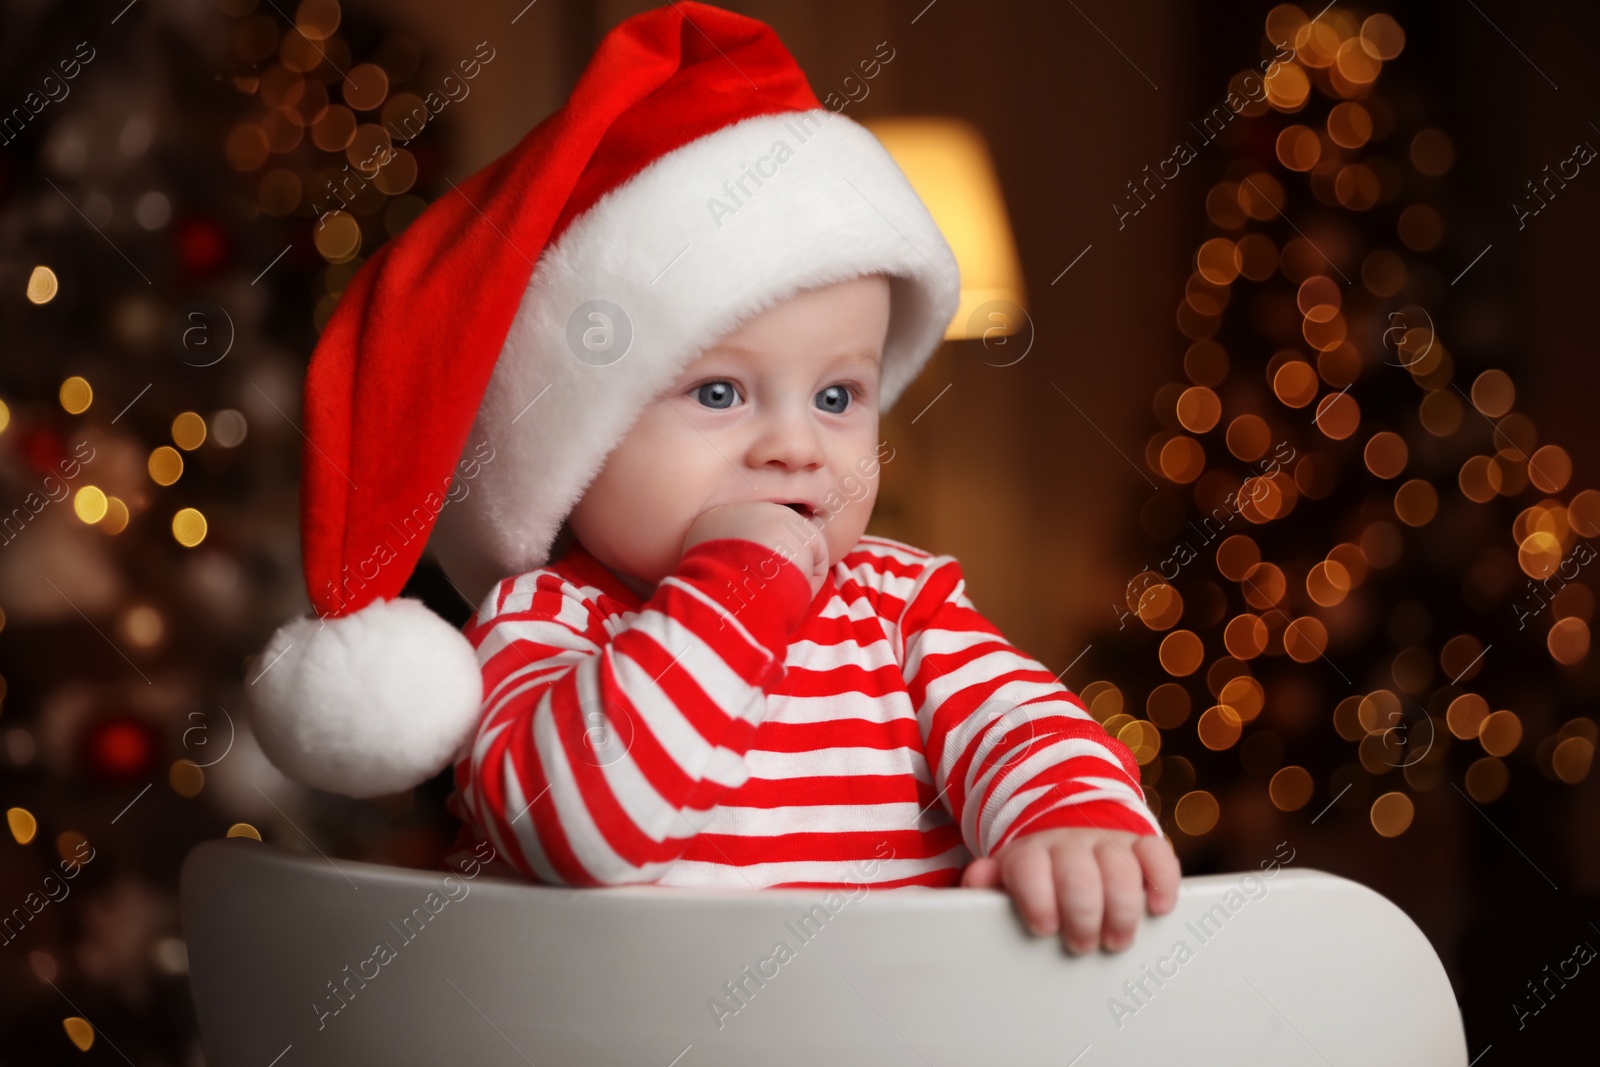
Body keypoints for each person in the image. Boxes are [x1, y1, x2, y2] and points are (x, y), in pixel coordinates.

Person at [247, 2, 1178, 957]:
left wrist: (1072, 822)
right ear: (581, 443)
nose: (794, 446)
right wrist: (733, 588)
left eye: (837, 395)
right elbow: (583, 828)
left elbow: (1021, 722)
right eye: (721, 391)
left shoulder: (900, 606)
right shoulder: (539, 626)